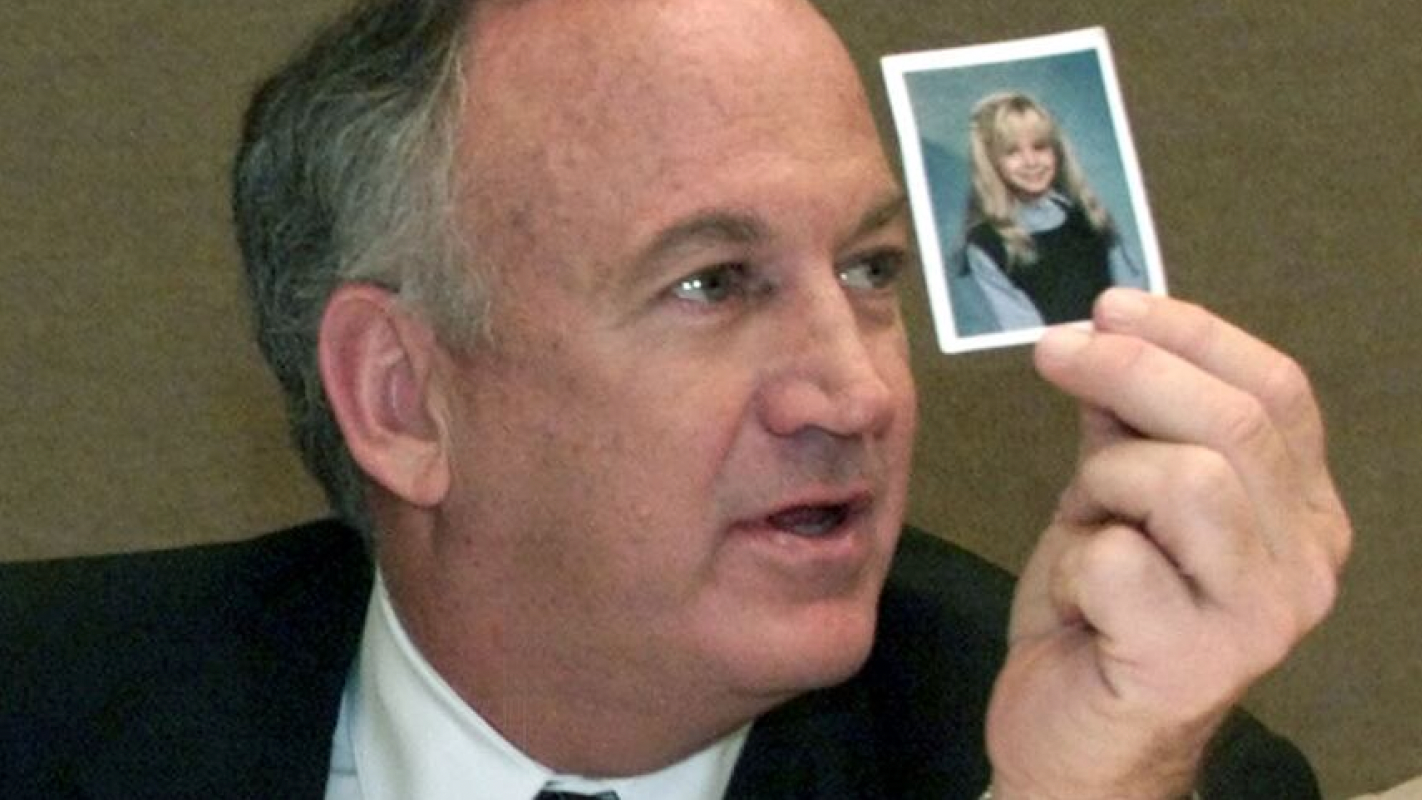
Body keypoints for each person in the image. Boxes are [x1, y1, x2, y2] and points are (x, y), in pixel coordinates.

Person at [0, 0, 1352, 798]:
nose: (856, 390)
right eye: (713, 285)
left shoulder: (1120, 766)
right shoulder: (40, 710)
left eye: (871, 267)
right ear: (402, 398)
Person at [950, 91, 1148, 336]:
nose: (1031, 161)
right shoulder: (986, 246)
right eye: (1012, 152)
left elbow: (1135, 297)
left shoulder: (1090, 216)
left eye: (1040, 147)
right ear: (991, 163)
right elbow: (1021, 333)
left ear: (1056, 150)